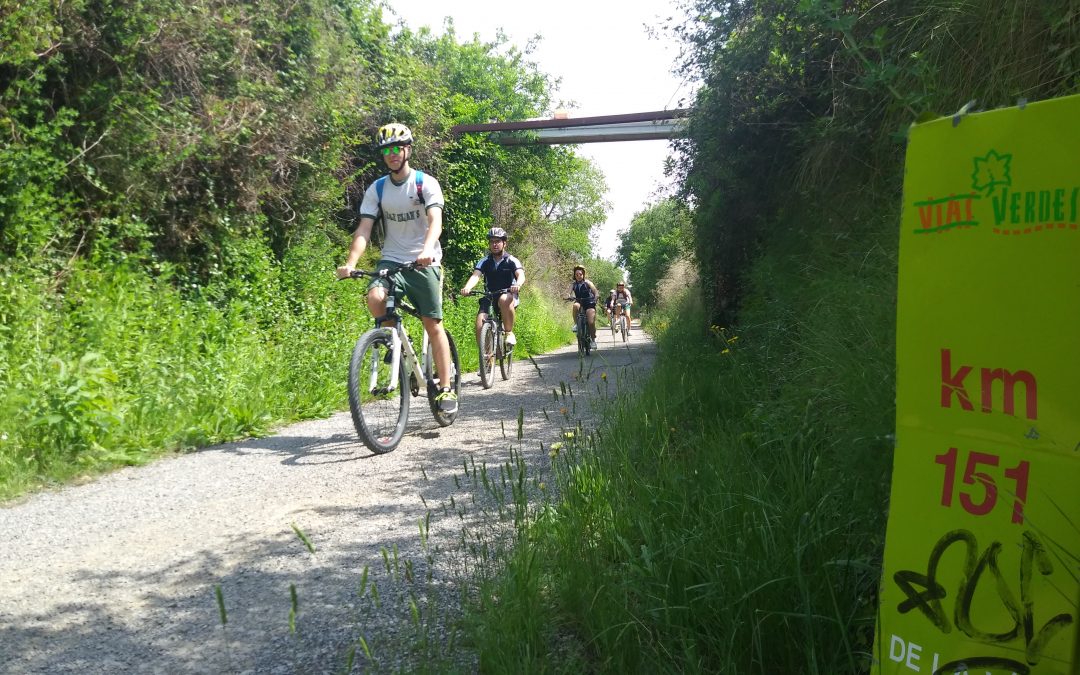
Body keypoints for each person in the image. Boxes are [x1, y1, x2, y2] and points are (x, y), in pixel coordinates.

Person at [336, 122, 457, 414]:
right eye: (386, 150)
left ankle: (445, 388)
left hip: (424, 260)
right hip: (392, 259)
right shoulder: (378, 189)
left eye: (397, 149)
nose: (391, 154)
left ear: (407, 150)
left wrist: (427, 250)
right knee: (375, 297)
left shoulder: (425, 183)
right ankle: (395, 342)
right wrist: (350, 263)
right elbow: (364, 229)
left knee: (433, 324)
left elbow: (436, 221)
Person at [460, 227, 524, 355]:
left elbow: (520, 274)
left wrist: (518, 284)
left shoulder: (511, 260)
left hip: (508, 295)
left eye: (498, 241)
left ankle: (509, 332)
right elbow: (476, 275)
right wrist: (467, 287)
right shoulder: (484, 261)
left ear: (504, 243)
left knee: (504, 299)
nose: (494, 244)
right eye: (492, 242)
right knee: (480, 322)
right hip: (490, 295)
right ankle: (486, 357)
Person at [568, 265, 599, 350]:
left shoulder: (588, 282)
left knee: (591, 322)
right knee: (575, 305)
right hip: (579, 301)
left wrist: (596, 297)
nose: (578, 276)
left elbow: (595, 291)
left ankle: (593, 340)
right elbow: (568, 292)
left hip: (589, 302)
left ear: (583, 274)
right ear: (574, 275)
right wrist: (568, 296)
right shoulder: (573, 284)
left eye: (580, 274)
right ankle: (576, 325)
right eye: (576, 274)